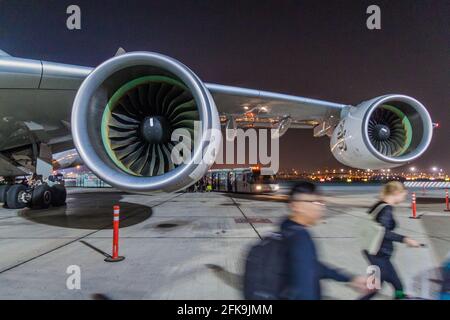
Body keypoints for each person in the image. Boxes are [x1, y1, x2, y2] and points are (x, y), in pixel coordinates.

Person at [281, 182, 367, 299]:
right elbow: (305, 289)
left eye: (322, 202)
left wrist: (350, 278)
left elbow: (312, 266)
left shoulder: (286, 228)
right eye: (316, 202)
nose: (321, 207)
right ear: (297, 206)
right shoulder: (300, 237)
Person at [360, 181, 421, 300]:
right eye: (404, 193)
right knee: (390, 287)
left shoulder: (378, 205)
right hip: (379, 254)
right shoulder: (386, 209)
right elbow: (384, 233)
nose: (405, 196)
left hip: (373, 251)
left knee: (387, 287)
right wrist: (405, 239)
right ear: (396, 192)